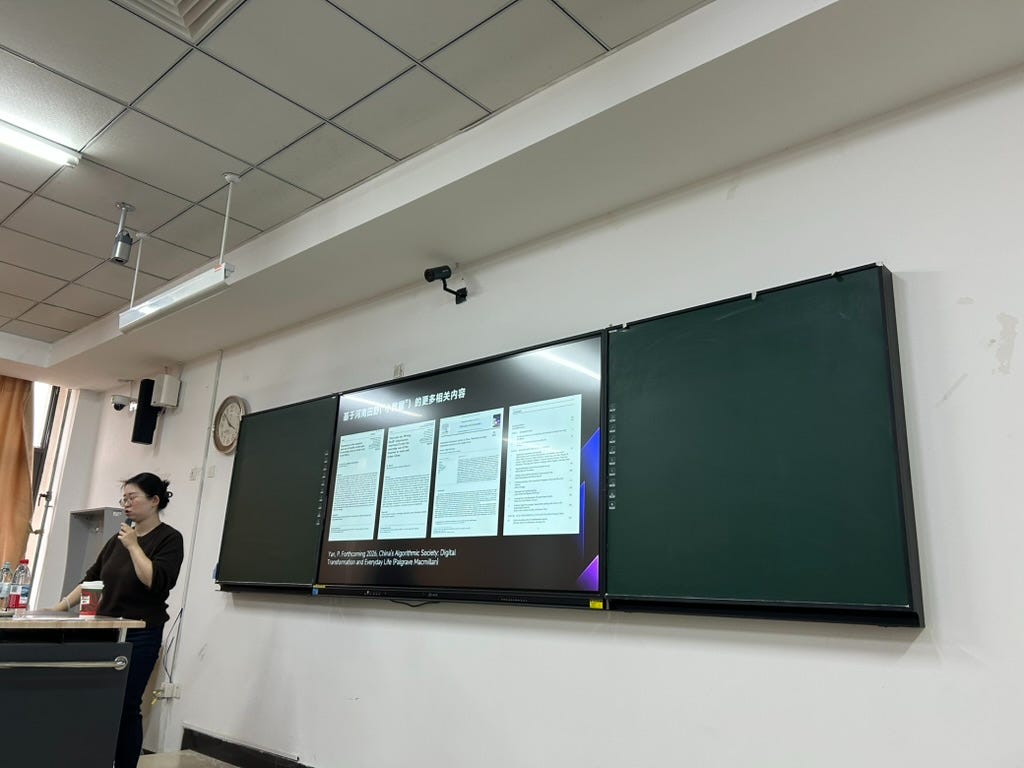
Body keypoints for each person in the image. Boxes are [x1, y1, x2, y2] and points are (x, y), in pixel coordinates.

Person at [53, 473, 184, 768]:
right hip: (104, 631)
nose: (126, 504)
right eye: (123, 498)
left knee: (126, 705)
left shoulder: (169, 538)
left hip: (140, 634)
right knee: (94, 702)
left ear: (154, 500)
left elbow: (155, 581)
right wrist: (58, 608)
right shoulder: (117, 539)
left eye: (132, 497)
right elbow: (91, 580)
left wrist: (135, 546)